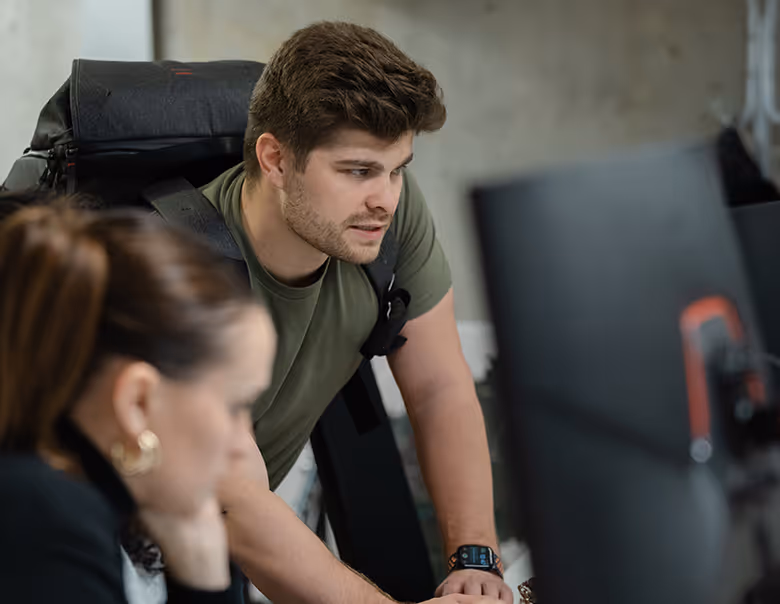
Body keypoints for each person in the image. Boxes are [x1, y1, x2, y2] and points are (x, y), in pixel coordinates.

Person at [206, 21, 514, 602]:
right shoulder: (180, 268)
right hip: (102, 555)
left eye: (399, 168)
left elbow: (440, 388)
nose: (387, 198)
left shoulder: (383, 216)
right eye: (358, 171)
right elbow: (232, 501)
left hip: (218, 541)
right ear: (275, 159)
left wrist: (477, 564)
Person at [0, 194, 277, 602]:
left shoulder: (52, 491)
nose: (243, 447)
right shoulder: (46, 523)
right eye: (233, 406)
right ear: (136, 402)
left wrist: (196, 559)